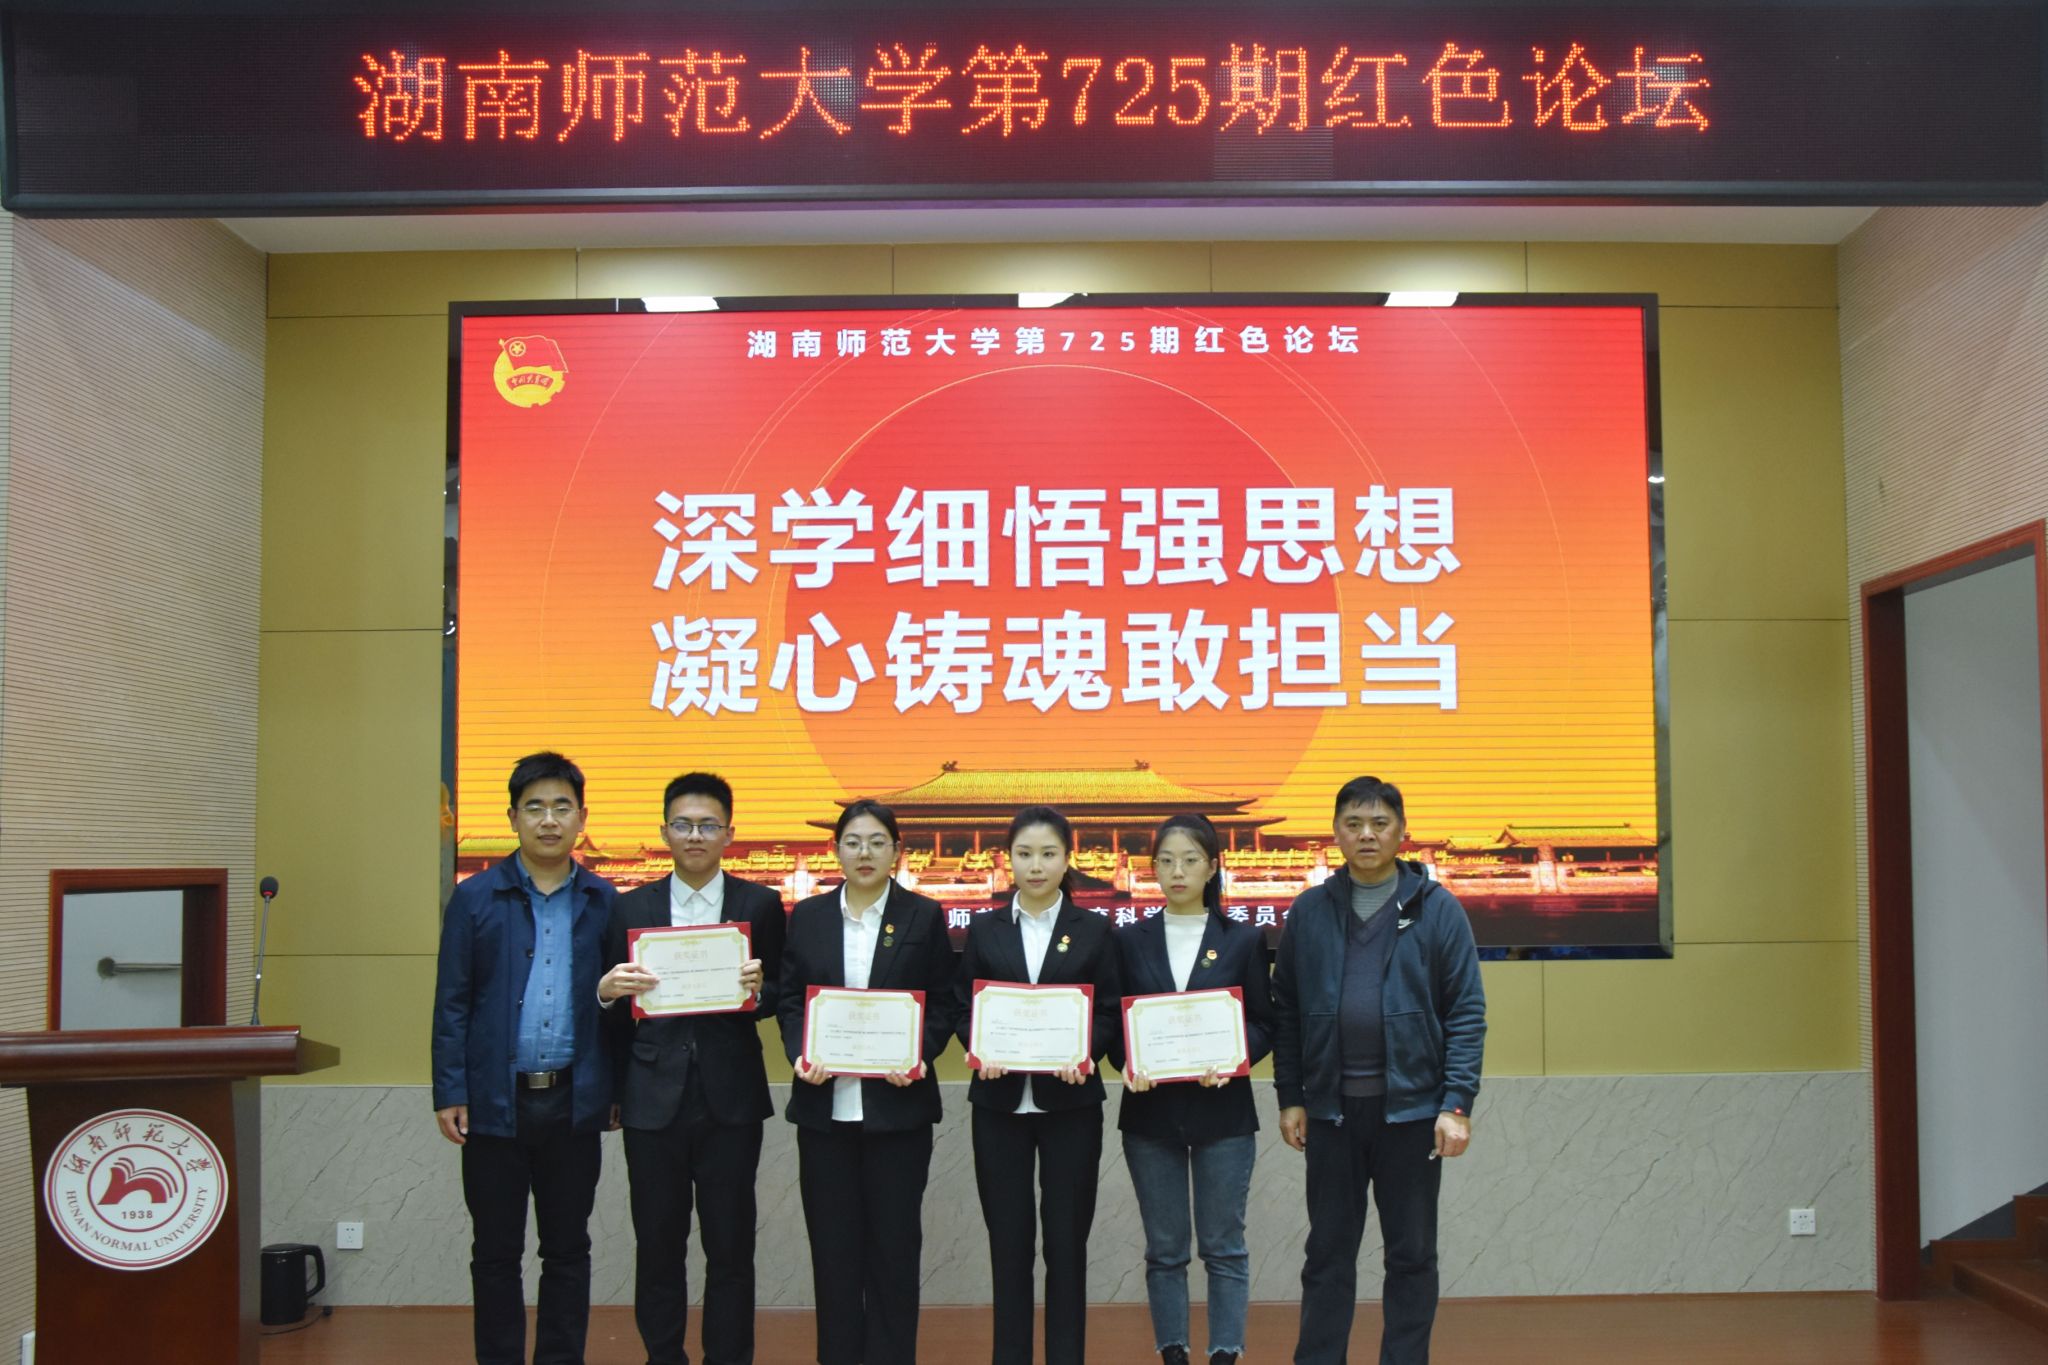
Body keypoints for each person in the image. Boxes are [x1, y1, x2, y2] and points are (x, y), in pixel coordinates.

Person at [1272, 776, 1487, 1365]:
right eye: (1353, 824)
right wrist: (1291, 1096)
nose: (1366, 834)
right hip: (1332, 1112)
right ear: (1336, 833)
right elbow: (1286, 1009)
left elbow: (1466, 1012)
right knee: (1327, 1254)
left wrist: (1456, 1104)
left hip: (1412, 1113)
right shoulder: (1309, 911)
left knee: (1412, 1255)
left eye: (1379, 823)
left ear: (1402, 832)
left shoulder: (1437, 910)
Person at [431, 751, 618, 1365]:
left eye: (562, 807)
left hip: (573, 1101)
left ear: (582, 818)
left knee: (567, 1250)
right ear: (512, 817)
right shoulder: (474, 898)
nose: (549, 820)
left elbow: (621, 1008)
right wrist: (450, 1091)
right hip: (495, 1101)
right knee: (495, 1252)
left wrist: (614, 1090)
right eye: (535, 807)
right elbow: (452, 1003)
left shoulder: (604, 900)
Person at [596, 771, 786, 1365]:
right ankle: (663, 1356)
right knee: (658, 1245)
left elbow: (781, 992)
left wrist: (762, 989)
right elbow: (613, 1010)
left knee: (731, 1247)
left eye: (708, 825)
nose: (695, 835)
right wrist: (606, 993)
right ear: (664, 832)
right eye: (683, 824)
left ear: (730, 833)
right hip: (651, 1097)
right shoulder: (629, 906)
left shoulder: (760, 904)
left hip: (731, 1098)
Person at [779, 799, 958, 1365]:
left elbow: (945, 1001)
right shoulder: (808, 916)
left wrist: (919, 1053)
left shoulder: (923, 915)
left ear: (897, 852)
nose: (865, 853)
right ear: (835, 850)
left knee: (894, 1253)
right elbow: (790, 998)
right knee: (833, 1254)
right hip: (824, 1111)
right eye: (853, 842)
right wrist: (800, 1052)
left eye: (878, 842)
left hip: (898, 1113)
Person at [956, 806, 1122, 1365]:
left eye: (1048, 854)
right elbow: (964, 1005)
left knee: (1066, 1244)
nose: (1036, 866)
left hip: (1070, 1105)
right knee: (1008, 1244)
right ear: (1007, 860)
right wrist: (980, 1046)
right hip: (998, 1105)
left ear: (1067, 859)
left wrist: (1086, 1050)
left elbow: (1108, 1009)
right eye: (1024, 854)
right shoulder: (984, 929)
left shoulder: (1094, 929)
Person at [1110, 814, 1274, 1365]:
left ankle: (1225, 1351)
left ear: (1211, 867)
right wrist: (1127, 1062)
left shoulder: (1244, 939)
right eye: (1166, 861)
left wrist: (1234, 1059)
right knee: (1165, 1249)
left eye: (1189, 860)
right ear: (1153, 868)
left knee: (1224, 1246)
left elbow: (1264, 1021)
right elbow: (1115, 1024)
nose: (1177, 871)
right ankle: (1173, 1351)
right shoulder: (1128, 940)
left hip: (1222, 1112)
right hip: (1150, 1115)